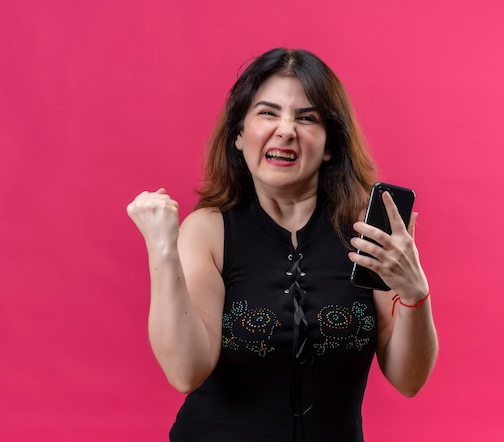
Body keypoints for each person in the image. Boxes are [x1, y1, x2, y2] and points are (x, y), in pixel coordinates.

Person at [127, 47, 438, 442]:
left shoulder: (368, 230)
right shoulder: (207, 231)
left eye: (307, 118)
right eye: (268, 113)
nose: (286, 130)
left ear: (329, 146)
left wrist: (416, 294)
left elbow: (408, 380)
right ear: (239, 135)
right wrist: (162, 247)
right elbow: (185, 372)